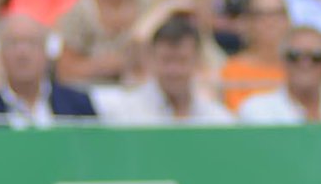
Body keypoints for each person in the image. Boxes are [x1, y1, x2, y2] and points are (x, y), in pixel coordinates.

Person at [0, 14, 98, 127]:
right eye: (13, 43)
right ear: (0, 54)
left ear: (46, 52)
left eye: (32, 43)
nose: (23, 53)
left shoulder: (79, 107)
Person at [96, 17, 234, 125]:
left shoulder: (216, 117)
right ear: (151, 60)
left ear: (196, 62)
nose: (173, 70)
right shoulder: (126, 112)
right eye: (166, 60)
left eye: (181, 60)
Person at [53, 0, 158, 87]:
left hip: (139, 89)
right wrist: (101, 66)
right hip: (90, 92)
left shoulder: (148, 7)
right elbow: (65, 71)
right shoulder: (81, 12)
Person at [237, 24, 321, 124]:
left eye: (317, 57)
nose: (305, 64)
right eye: (295, 56)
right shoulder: (257, 111)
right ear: (282, 61)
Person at [217, 0, 290, 111]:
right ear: (247, 23)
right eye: (261, 14)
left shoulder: (303, 65)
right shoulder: (231, 71)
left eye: (277, 14)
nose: (270, 22)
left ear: (288, 21)